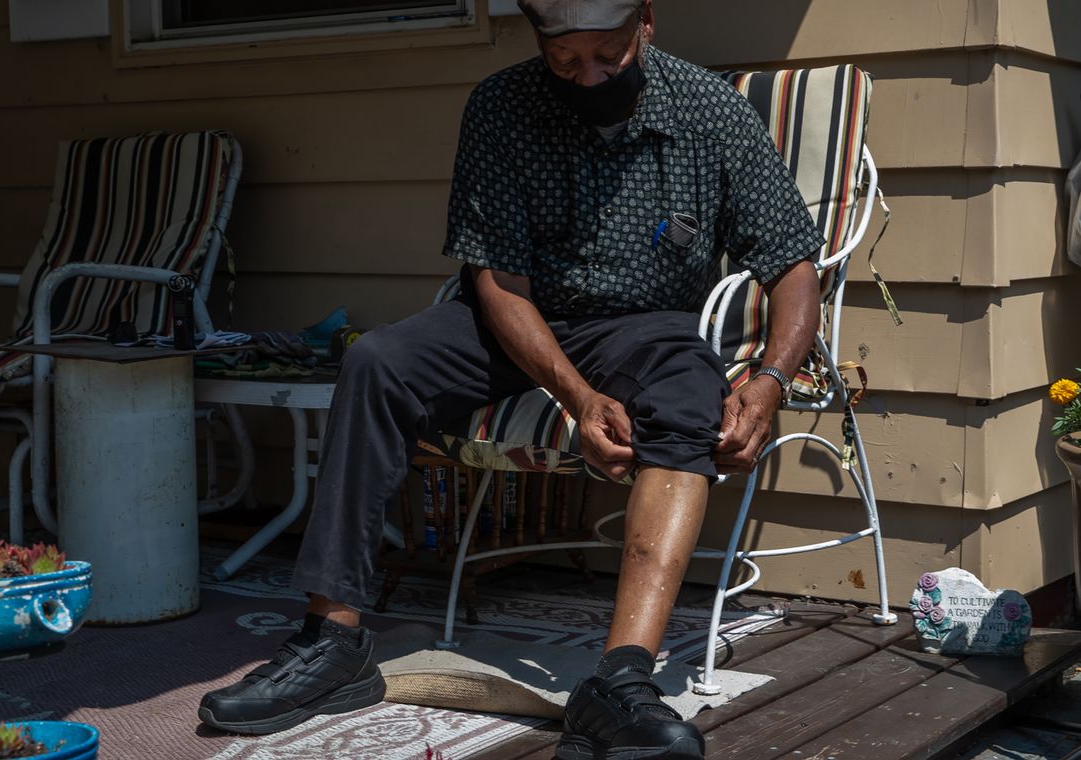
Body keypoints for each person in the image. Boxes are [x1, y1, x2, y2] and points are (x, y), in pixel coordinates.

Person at [199, 1, 824, 757]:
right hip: (517, 316)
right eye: (566, 61)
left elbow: (792, 262)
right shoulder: (500, 105)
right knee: (376, 362)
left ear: (646, 24)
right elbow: (497, 282)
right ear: (539, 43)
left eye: (608, 56)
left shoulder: (710, 111)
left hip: (645, 323)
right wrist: (576, 396)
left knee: (691, 396)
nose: (588, 76)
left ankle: (621, 682)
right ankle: (334, 640)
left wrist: (770, 379)